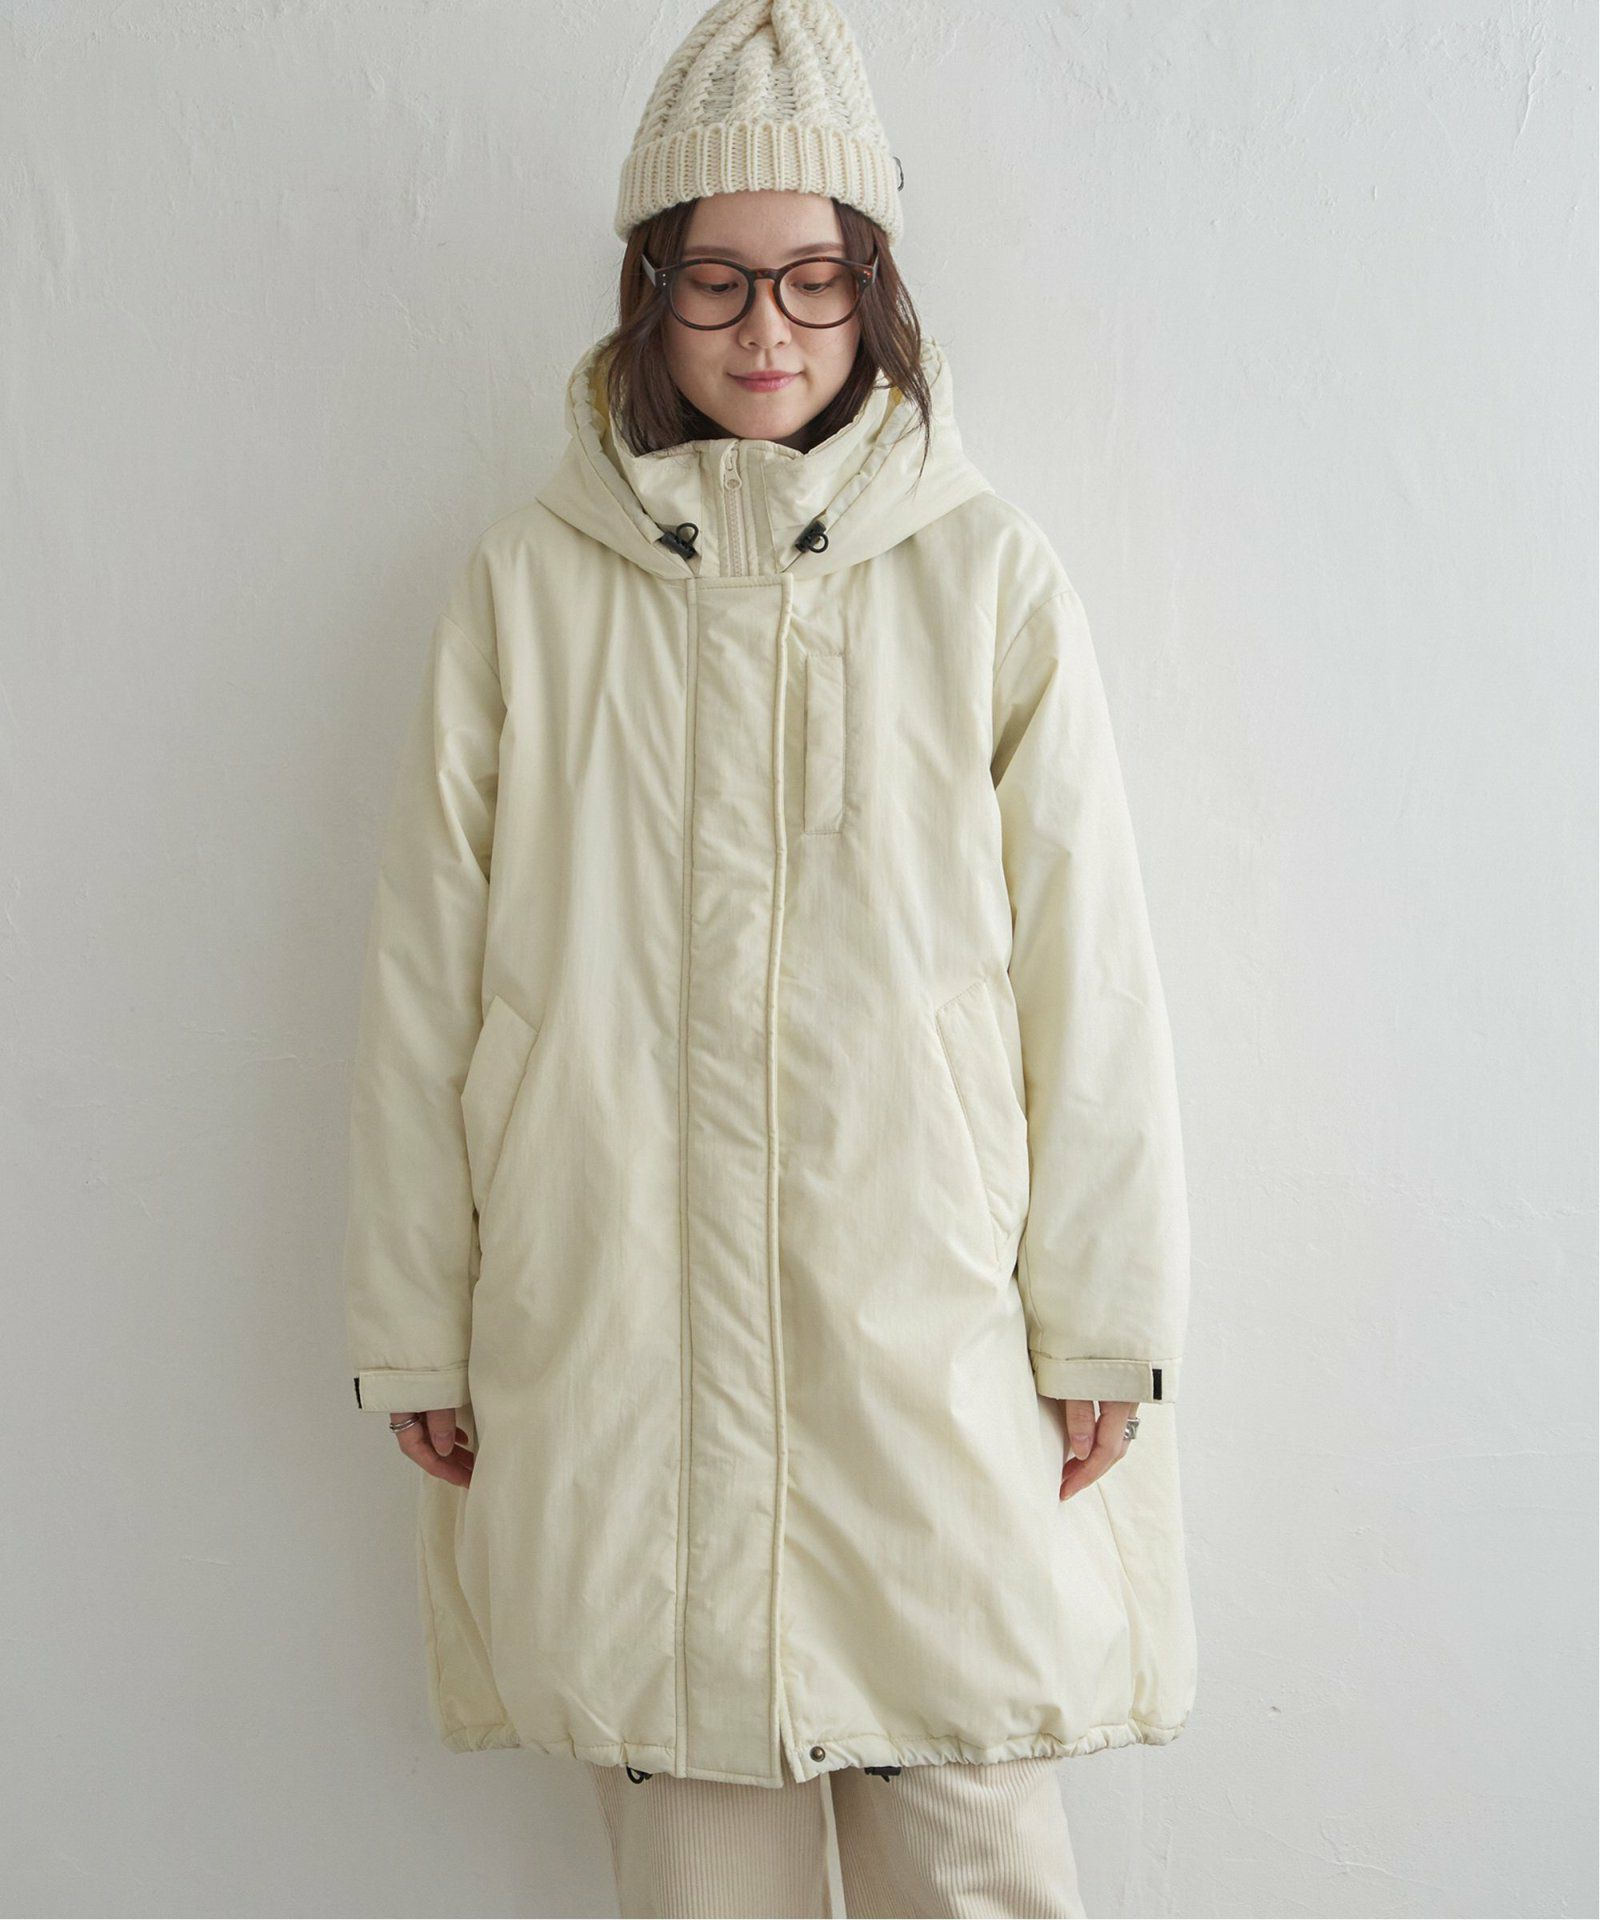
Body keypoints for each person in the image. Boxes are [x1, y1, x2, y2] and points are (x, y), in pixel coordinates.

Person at [339, 1, 1197, 1913]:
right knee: (696, 1865)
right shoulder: (527, 590)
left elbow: (1091, 978)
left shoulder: (985, 577)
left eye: (813, 278)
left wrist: (1104, 1316)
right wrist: (415, 1311)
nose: (766, 332)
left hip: (928, 1325)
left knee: (972, 1839)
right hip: (613, 1326)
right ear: (649, 296)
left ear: (872, 292)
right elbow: (425, 982)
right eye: (716, 281)